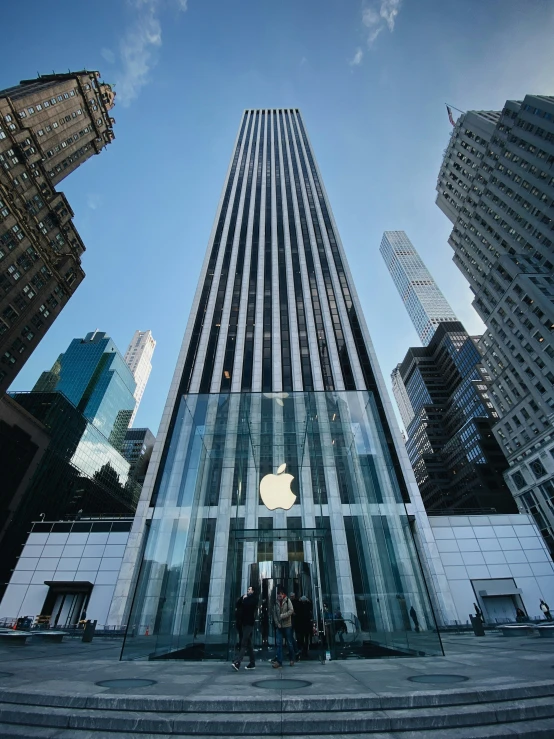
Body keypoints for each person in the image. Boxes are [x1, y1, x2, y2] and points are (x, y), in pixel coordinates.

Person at [232, 586, 258, 671]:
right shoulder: (245, 598)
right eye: (247, 589)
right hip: (243, 623)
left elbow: (248, 605)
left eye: (249, 589)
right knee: (249, 644)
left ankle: (238, 662)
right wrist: (242, 598)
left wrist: (244, 599)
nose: (248, 591)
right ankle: (252, 663)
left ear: (253, 591)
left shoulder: (253, 599)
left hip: (249, 624)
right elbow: (238, 603)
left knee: (243, 643)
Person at [272, 588, 296, 668]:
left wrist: (283, 616)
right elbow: (274, 614)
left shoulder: (287, 601)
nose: (279, 597)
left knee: (289, 643)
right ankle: (279, 661)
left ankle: (292, 659)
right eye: (278, 596)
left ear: (282, 595)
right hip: (279, 626)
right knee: (279, 644)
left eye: (280, 596)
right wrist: (277, 623)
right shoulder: (275, 603)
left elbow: (291, 610)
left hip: (287, 625)